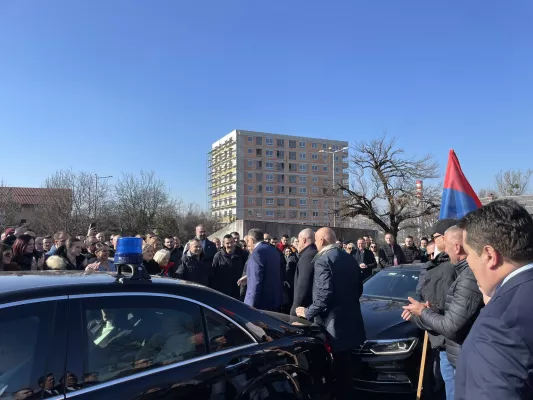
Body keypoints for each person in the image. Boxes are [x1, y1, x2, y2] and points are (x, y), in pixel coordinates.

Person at [453, 200, 533, 400]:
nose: (466, 260)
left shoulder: (496, 328)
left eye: (468, 252)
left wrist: (502, 308)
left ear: (489, 255)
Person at [402, 225, 483, 400]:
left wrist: (422, 312)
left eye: (444, 245)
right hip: (455, 351)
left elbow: (452, 325)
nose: (442, 252)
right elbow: (453, 311)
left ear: (457, 247)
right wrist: (430, 311)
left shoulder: (467, 276)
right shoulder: (462, 272)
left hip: (459, 352)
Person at [295, 227, 365, 400]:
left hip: (332, 324)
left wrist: (307, 312)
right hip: (351, 319)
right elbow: (359, 288)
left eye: (317, 241)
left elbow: (323, 295)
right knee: (345, 368)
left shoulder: (323, 260)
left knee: (332, 368)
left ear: (322, 241)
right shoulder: (349, 258)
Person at [244, 229, 283, 311]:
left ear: (252, 239)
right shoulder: (273, 250)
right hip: (274, 300)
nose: (247, 244)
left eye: (247, 241)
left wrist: (250, 307)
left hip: (260, 303)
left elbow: (256, 281)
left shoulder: (257, 252)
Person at [290, 228, 318, 316]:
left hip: (304, 311)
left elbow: (302, 287)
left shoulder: (307, 256)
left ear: (304, 240)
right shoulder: (315, 253)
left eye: (298, 241)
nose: (297, 244)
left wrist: (294, 310)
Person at [212, 234, 247, 299]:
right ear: (224, 244)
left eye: (231, 242)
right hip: (223, 291)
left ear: (234, 242)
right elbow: (213, 274)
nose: (230, 245)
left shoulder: (243, 254)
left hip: (239, 290)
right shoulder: (218, 256)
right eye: (227, 243)